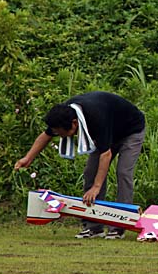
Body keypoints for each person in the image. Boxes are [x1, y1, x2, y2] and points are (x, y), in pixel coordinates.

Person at [15, 91, 146, 240]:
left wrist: (96, 188)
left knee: (123, 173)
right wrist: (28, 158)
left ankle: (119, 226)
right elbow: (47, 135)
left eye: (62, 133)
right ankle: (93, 227)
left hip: (131, 131)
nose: (61, 136)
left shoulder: (96, 117)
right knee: (90, 172)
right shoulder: (64, 114)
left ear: (74, 124)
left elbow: (106, 154)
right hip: (108, 131)